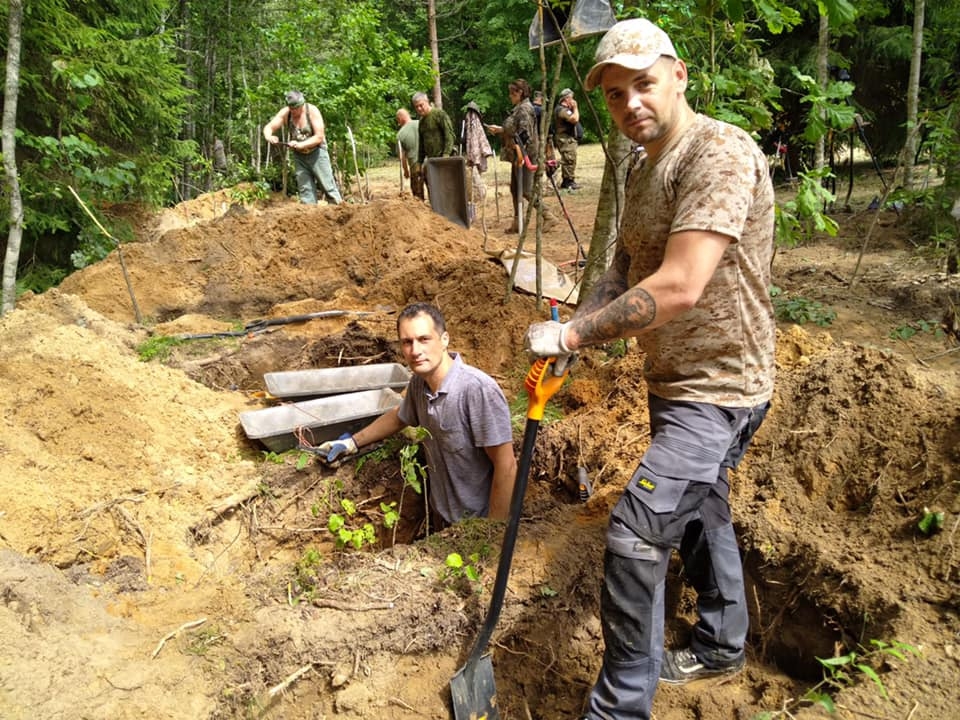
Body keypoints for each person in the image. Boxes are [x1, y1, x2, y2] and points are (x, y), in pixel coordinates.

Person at [523, 18, 776, 720]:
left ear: (678, 74)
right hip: (675, 377)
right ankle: (723, 644)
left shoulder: (717, 153)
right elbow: (625, 270)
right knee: (700, 507)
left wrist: (573, 332)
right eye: (613, 94)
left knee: (638, 527)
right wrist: (572, 342)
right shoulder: (640, 163)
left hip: (722, 386)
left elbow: (680, 285)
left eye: (643, 83)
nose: (629, 102)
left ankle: (619, 706)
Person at [317, 302, 517, 528]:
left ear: (444, 340)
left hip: (475, 525)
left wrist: (491, 533)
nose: (415, 350)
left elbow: (506, 466)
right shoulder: (419, 384)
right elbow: (399, 417)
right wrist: (351, 443)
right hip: (442, 522)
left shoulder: (477, 391)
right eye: (407, 342)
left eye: (424, 339)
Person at [486, 79, 557, 234]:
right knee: (514, 188)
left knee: (526, 190)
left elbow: (525, 134)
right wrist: (500, 130)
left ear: (519, 93)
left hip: (526, 156)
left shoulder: (525, 109)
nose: (509, 96)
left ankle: (548, 215)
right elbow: (514, 130)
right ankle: (518, 222)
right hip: (517, 156)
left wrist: (521, 155)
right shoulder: (519, 108)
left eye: (512, 93)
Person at [263, 90, 342, 205]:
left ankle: (340, 213)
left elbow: (319, 137)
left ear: (302, 104)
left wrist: (301, 144)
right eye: (291, 108)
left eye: (296, 108)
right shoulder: (286, 113)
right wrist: (269, 136)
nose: (294, 111)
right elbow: (269, 127)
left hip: (317, 153)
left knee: (328, 187)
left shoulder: (312, 111)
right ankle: (310, 218)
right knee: (306, 192)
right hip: (299, 157)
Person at [554, 88, 582, 190]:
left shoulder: (565, 110)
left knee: (570, 159)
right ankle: (568, 182)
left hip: (568, 139)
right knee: (569, 159)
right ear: (566, 99)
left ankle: (569, 180)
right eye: (571, 98)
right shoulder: (562, 110)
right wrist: (575, 108)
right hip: (565, 139)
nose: (573, 101)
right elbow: (574, 119)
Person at [396, 108, 424, 200]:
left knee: (418, 196)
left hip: (414, 166)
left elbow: (402, 157)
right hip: (429, 163)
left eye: (397, 119)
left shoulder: (400, 134)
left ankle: (421, 212)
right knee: (433, 191)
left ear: (400, 119)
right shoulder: (421, 124)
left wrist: (406, 171)